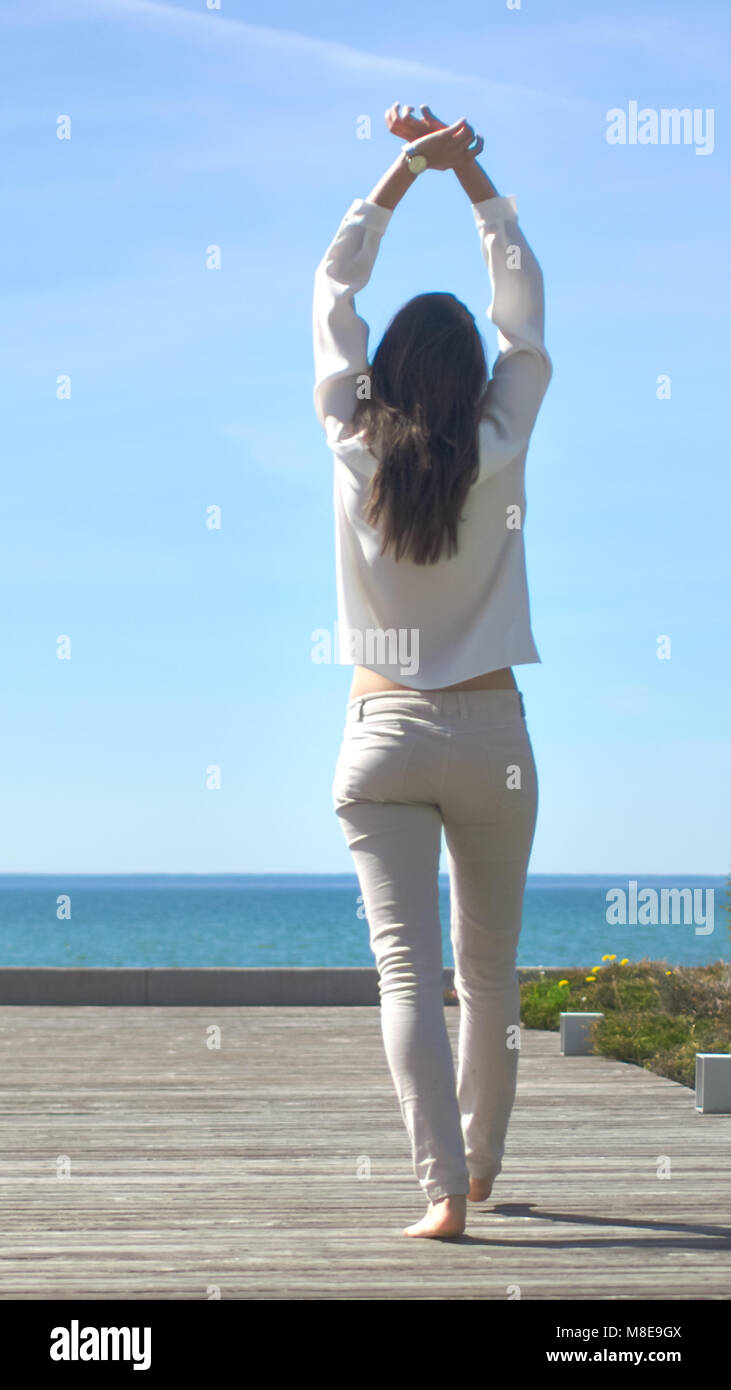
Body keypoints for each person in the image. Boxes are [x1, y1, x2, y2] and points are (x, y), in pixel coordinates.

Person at [312, 102, 552, 1239]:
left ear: (386, 376)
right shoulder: (498, 445)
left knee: (406, 976)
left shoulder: (351, 444)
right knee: (488, 975)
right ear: (469, 383)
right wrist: (473, 184)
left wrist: (401, 177)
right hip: (491, 735)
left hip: (383, 733)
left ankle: (440, 1190)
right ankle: (483, 1166)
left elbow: (333, 293)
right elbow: (525, 330)